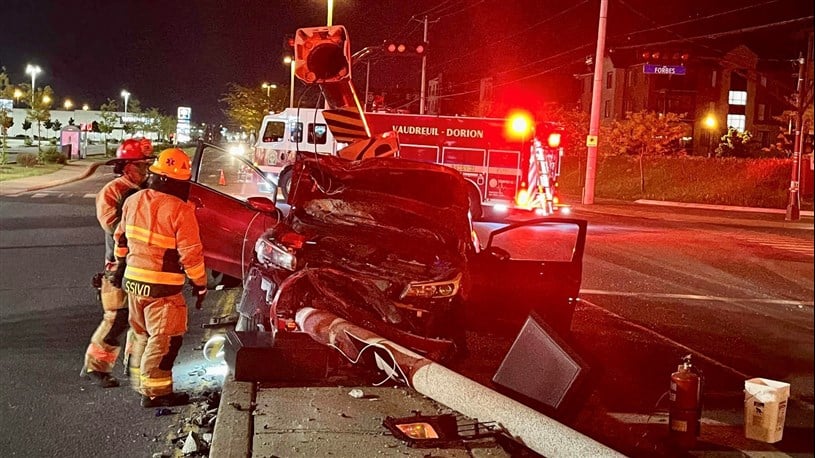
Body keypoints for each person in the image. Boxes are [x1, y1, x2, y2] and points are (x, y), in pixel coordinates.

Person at [112, 148, 208, 407]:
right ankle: (156, 393)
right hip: (162, 289)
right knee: (165, 341)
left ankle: (137, 375)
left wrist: (121, 267)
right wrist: (200, 285)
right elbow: (191, 255)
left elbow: (121, 240)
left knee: (142, 333)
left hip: (134, 283)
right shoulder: (180, 210)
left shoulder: (134, 200)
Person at [82, 138, 153, 388]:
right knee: (117, 318)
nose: (146, 170)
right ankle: (96, 367)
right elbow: (112, 225)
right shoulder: (113, 191)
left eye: (148, 164)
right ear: (127, 166)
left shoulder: (147, 190)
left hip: (142, 264)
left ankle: (134, 364)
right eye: (142, 165)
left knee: (140, 319)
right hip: (118, 265)